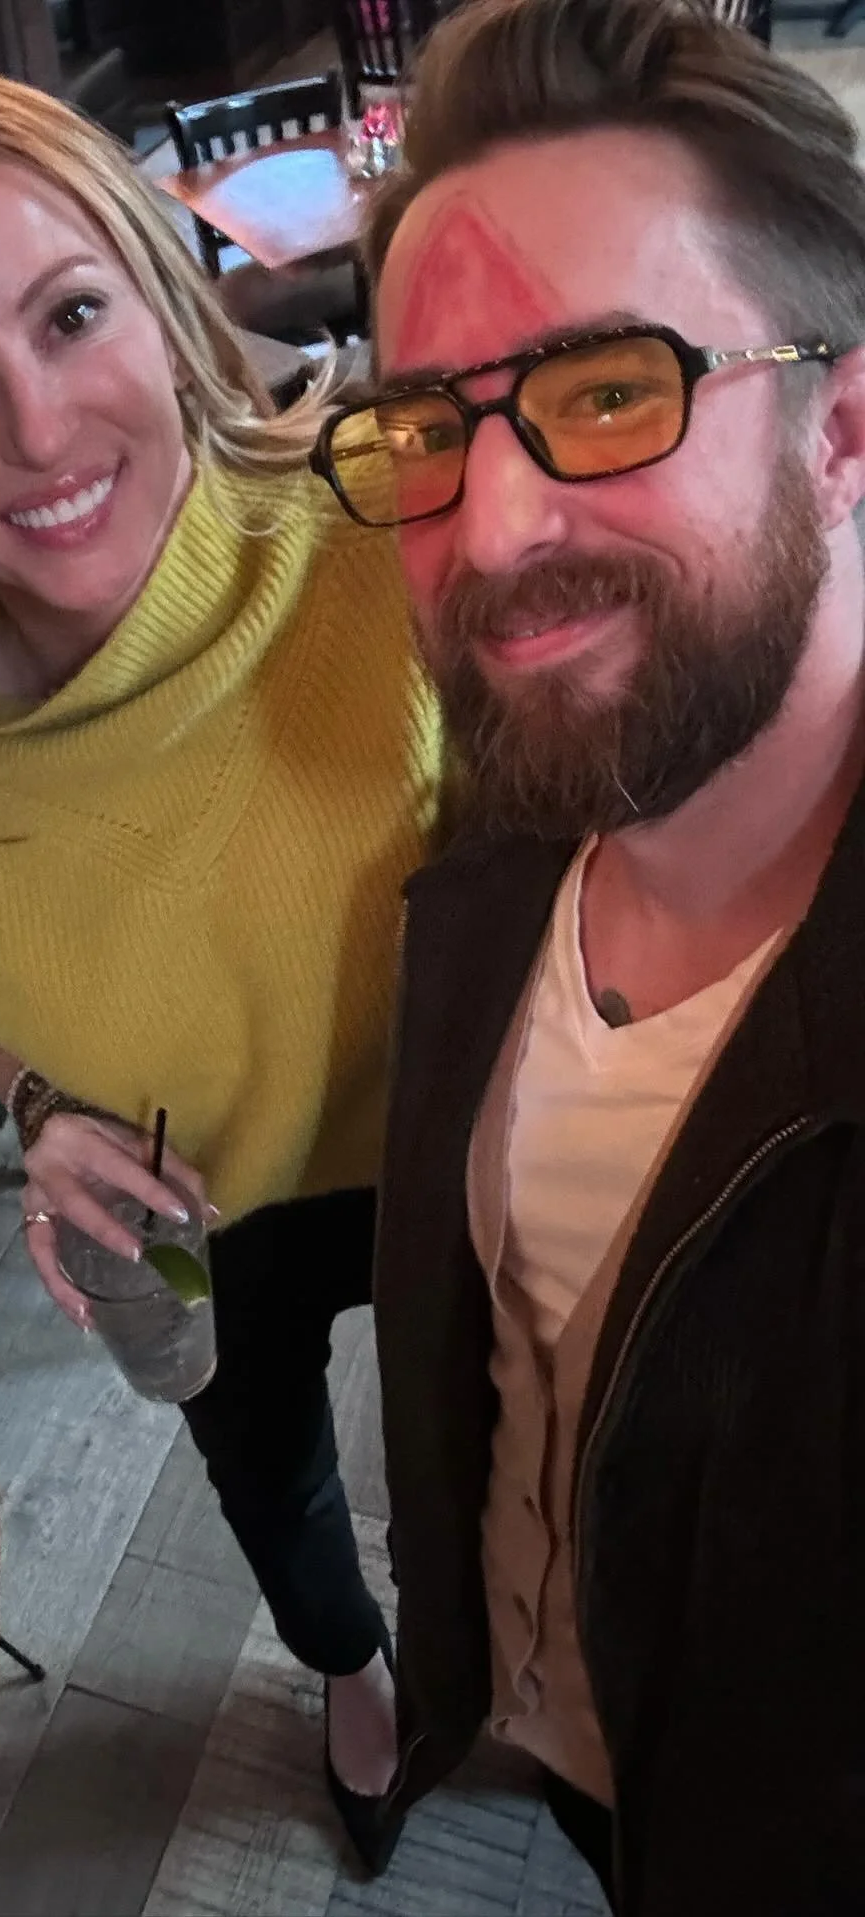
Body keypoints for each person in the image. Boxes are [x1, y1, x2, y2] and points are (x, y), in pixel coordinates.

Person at [0, 57, 441, 1865]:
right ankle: (351, 1674)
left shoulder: (392, 530)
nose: (35, 427)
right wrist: (37, 1106)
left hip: (456, 1150)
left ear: (165, 304)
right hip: (197, 1198)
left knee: (486, 1448)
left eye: (70, 314)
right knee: (264, 1467)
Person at [322, 0, 865, 1907]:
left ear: (844, 425)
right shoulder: (499, 844)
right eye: (427, 430)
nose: (493, 529)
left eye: (614, 392)